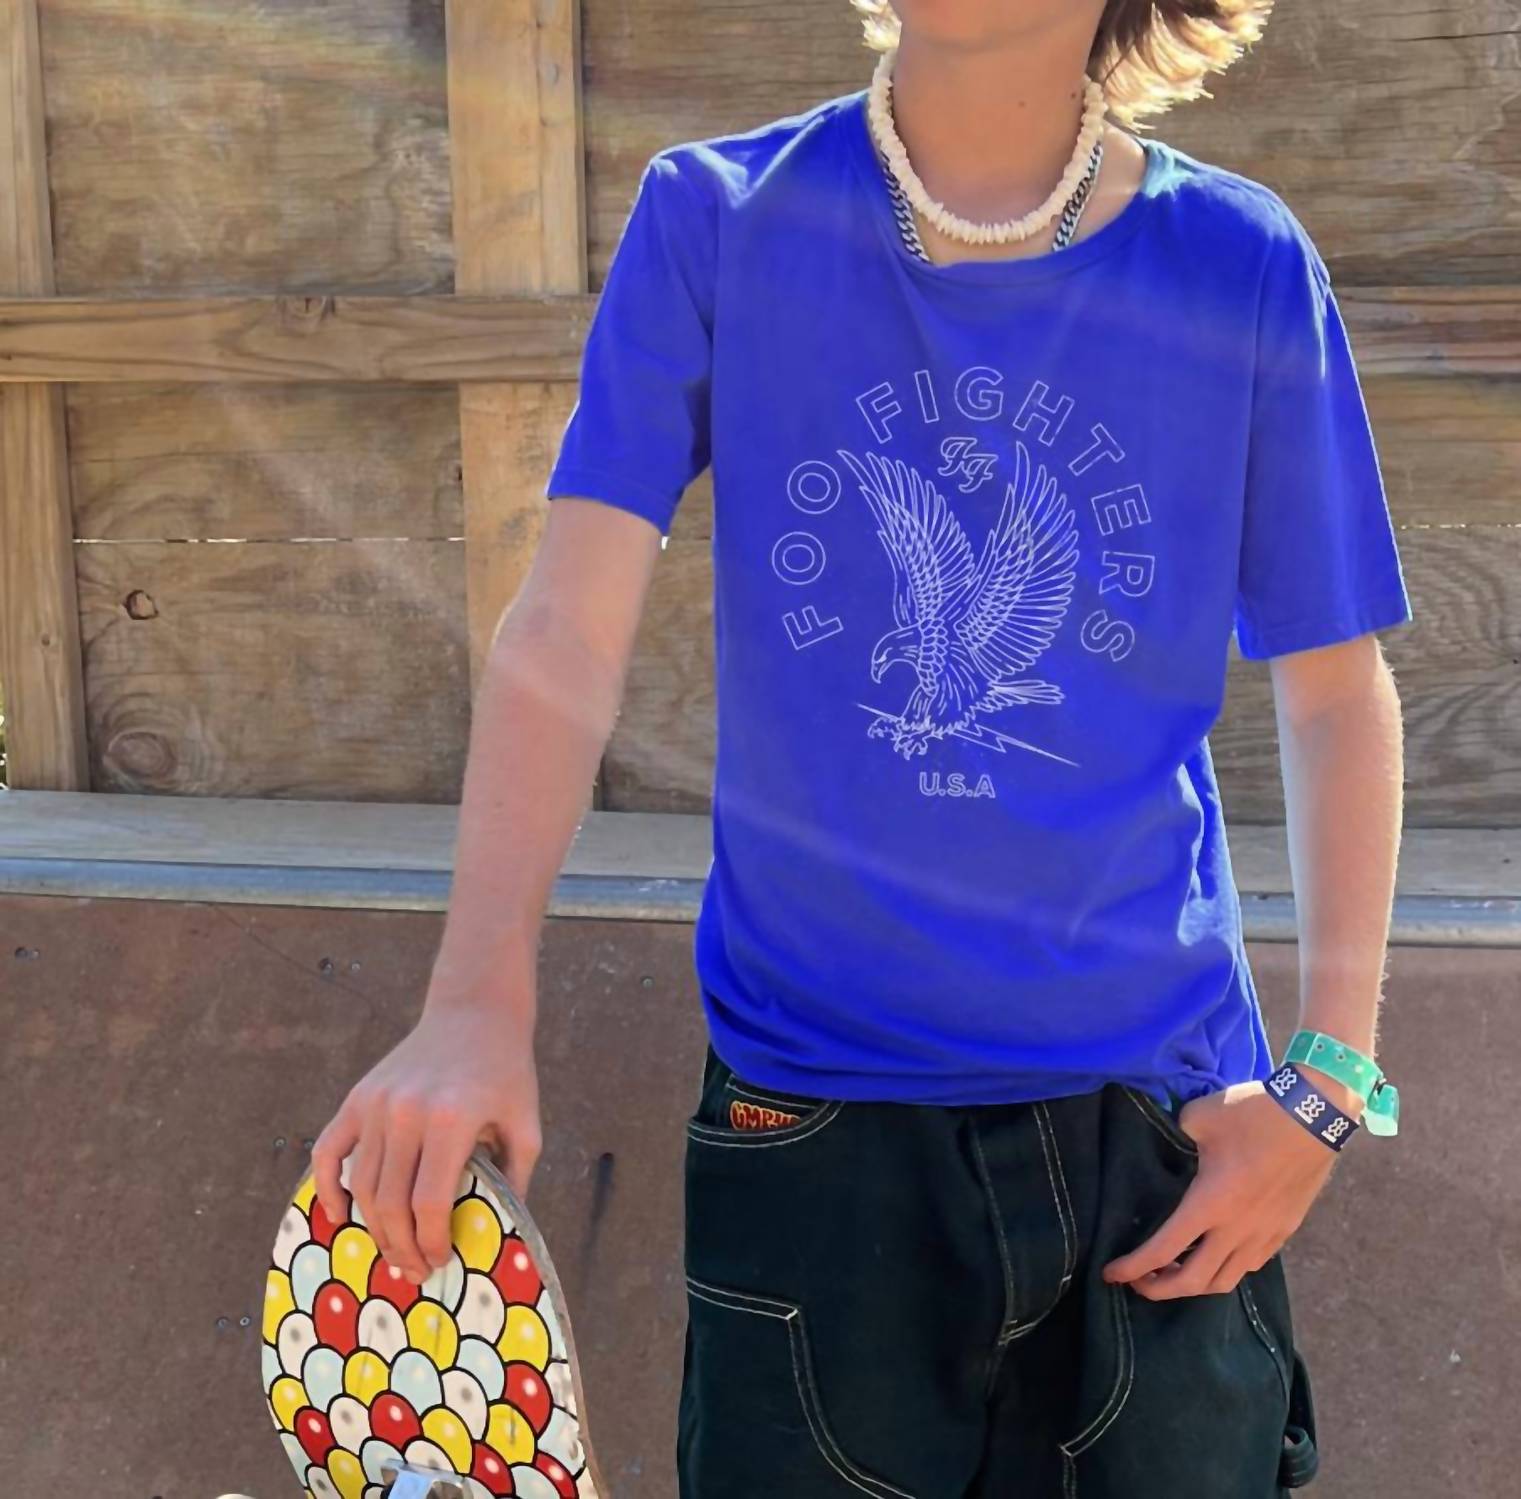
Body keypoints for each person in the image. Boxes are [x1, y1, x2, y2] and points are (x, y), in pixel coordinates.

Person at [313, 1, 1414, 1493]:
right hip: (809, 1138)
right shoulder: (714, 218)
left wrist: (1327, 1081)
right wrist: (470, 1002)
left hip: (1157, 1142)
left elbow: (1336, 691)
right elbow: (564, 629)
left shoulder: (1240, 261)